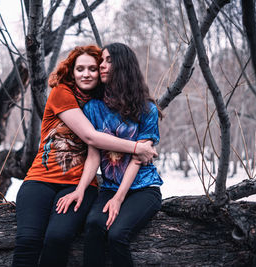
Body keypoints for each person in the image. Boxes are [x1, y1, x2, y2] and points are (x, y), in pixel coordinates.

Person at [12, 45, 157, 267]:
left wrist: (87, 191)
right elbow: (92, 140)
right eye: (80, 69)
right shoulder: (69, 96)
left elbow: (110, 150)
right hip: (42, 178)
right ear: (72, 71)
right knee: (28, 241)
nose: (87, 73)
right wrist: (138, 147)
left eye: (93, 68)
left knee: (59, 237)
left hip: (87, 183)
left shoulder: (113, 103)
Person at [56, 43, 163, 267]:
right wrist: (80, 190)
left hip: (143, 188)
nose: (101, 65)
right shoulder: (93, 108)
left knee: (117, 235)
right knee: (94, 225)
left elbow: (138, 158)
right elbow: (94, 156)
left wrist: (119, 199)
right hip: (109, 187)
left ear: (123, 66)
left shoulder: (147, 109)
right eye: (102, 61)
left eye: (108, 61)